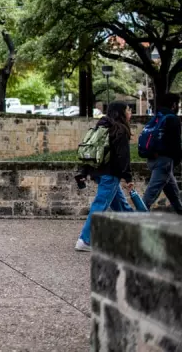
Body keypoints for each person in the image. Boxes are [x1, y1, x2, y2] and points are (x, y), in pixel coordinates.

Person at [75, 101, 135, 252]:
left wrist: (84, 171)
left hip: (98, 172)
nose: (130, 113)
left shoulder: (101, 126)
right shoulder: (120, 129)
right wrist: (128, 178)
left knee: (121, 205)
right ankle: (85, 240)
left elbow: (91, 149)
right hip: (110, 174)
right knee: (100, 205)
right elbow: (123, 157)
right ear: (121, 112)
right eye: (128, 110)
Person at [142, 93, 182, 214]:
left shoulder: (156, 117)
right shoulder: (172, 119)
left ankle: (180, 211)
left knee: (173, 192)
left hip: (152, 159)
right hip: (164, 161)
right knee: (150, 195)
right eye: (178, 104)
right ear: (174, 105)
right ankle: (136, 217)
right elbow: (175, 143)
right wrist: (177, 160)